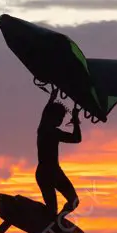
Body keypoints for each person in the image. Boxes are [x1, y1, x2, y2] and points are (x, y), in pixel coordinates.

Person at [36, 88, 81, 218]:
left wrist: (52, 97)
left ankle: (57, 219)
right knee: (61, 206)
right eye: (60, 118)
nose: (61, 121)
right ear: (54, 117)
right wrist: (75, 120)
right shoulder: (49, 131)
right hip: (47, 173)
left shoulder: (44, 128)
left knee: (72, 201)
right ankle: (55, 218)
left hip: (52, 172)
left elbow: (45, 113)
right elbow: (77, 138)